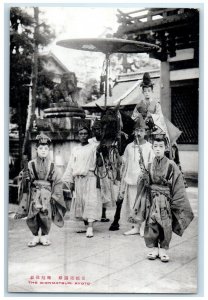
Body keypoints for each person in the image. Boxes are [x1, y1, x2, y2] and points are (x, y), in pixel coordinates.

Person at [143, 134, 194, 262]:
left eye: (161, 146)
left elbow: (178, 185)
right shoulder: (149, 165)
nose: (158, 149)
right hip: (153, 198)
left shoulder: (171, 165)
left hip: (166, 200)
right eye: (155, 146)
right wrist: (143, 178)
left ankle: (164, 248)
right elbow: (146, 185)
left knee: (165, 223)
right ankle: (154, 247)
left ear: (166, 147)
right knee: (152, 222)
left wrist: (175, 202)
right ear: (152, 148)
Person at [15, 133, 66, 247]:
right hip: (34, 193)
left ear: (49, 150)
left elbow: (57, 182)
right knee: (32, 215)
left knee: (45, 214)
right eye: (41, 148)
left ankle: (44, 235)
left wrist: (55, 196)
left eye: (46, 148)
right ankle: (34, 236)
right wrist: (25, 178)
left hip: (47, 194)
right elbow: (24, 179)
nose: (43, 151)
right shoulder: (30, 164)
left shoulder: (52, 166)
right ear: (36, 149)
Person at [62, 124, 102, 238]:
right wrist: (70, 180)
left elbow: (99, 160)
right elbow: (71, 165)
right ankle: (86, 226)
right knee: (81, 202)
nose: (83, 136)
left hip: (90, 177)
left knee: (91, 201)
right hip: (78, 178)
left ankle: (90, 227)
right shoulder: (75, 149)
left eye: (85, 133)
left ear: (89, 135)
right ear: (78, 135)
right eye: (81, 134)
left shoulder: (94, 147)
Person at [118, 118, 155, 235]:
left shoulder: (149, 146)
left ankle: (143, 227)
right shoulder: (129, 146)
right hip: (131, 180)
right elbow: (124, 161)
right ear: (134, 132)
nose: (138, 133)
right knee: (132, 203)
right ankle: (135, 227)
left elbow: (152, 162)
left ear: (145, 132)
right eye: (136, 131)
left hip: (143, 182)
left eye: (141, 131)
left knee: (143, 204)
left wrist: (148, 176)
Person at [89, 119, 117, 222]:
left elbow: (109, 156)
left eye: (100, 129)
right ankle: (94, 214)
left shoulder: (105, 141)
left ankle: (103, 214)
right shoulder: (90, 142)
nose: (98, 131)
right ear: (93, 130)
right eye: (96, 129)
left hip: (103, 169)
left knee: (105, 189)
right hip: (93, 168)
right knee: (94, 191)